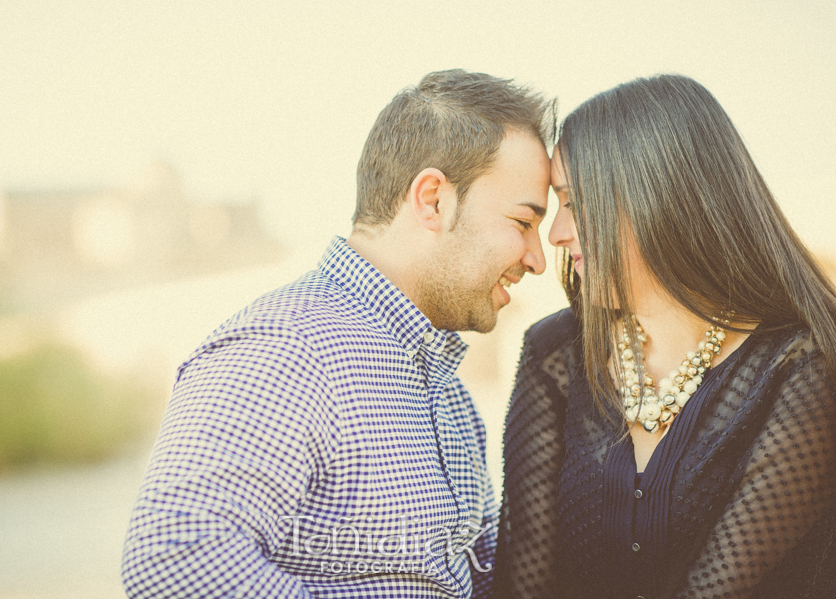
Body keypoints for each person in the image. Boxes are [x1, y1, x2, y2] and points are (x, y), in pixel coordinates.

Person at [121, 69, 555, 599]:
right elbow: (176, 559)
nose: (536, 259)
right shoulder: (284, 351)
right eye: (522, 222)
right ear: (433, 200)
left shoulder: (446, 392)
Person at [493, 74, 836, 599]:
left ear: (658, 196)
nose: (557, 234)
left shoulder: (801, 368)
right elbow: (524, 584)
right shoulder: (555, 354)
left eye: (575, 205)